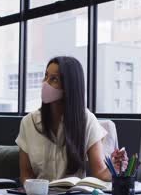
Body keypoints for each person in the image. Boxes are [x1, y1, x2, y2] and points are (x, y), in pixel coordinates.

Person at [16, 56, 127, 184]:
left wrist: (115, 168)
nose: (45, 83)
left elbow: (100, 172)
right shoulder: (28, 122)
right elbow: (26, 175)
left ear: (69, 86)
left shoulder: (87, 120)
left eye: (54, 79)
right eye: (46, 76)